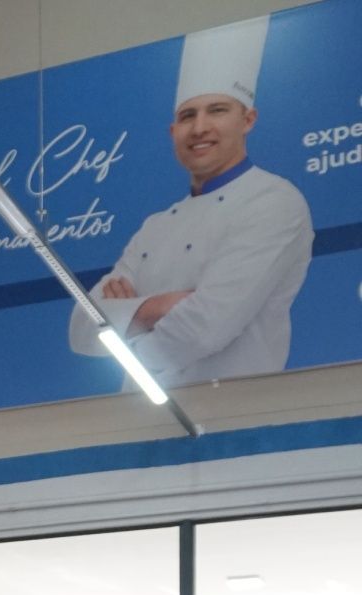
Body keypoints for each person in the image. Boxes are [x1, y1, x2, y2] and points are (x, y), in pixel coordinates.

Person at [68, 15, 312, 389]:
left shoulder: (274, 202)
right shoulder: (156, 226)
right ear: (172, 131)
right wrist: (161, 307)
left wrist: (127, 322)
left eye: (217, 110)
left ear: (248, 119)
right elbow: (83, 327)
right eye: (187, 116)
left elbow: (205, 329)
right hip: (136, 421)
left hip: (239, 418)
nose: (199, 128)